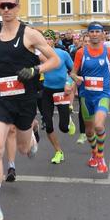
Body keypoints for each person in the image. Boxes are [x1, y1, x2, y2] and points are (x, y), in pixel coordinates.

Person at [0, 0, 60, 220]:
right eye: (2, 6)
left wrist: (36, 71)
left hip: (24, 100)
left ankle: (32, 141)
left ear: (18, 7)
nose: (6, 10)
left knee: (24, 149)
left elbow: (53, 60)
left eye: (10, 6)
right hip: (1, 98)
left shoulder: (31, 34)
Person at [70, 22, 110, 173]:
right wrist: (75, 78)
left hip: (102, 95)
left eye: (97, 31)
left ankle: (100, 157)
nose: (94, 34)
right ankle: (94, 153)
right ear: (88, 34)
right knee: (89, 131)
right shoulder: (81, 53)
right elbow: (73, 72)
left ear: (102, 34)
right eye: (91, 32)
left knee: (99, 126)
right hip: (86, 96)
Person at [39, 31, 76, 165]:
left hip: (62, 91)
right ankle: (58, 151)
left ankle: (69, 121)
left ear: (54, 41)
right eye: (45, 39)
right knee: (48, 125)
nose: (47, 41)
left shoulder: (63, 54)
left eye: (49, 39)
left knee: (63, 128)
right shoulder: (39, 56)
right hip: (47, 91)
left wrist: (69, 83)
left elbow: (73, 72)